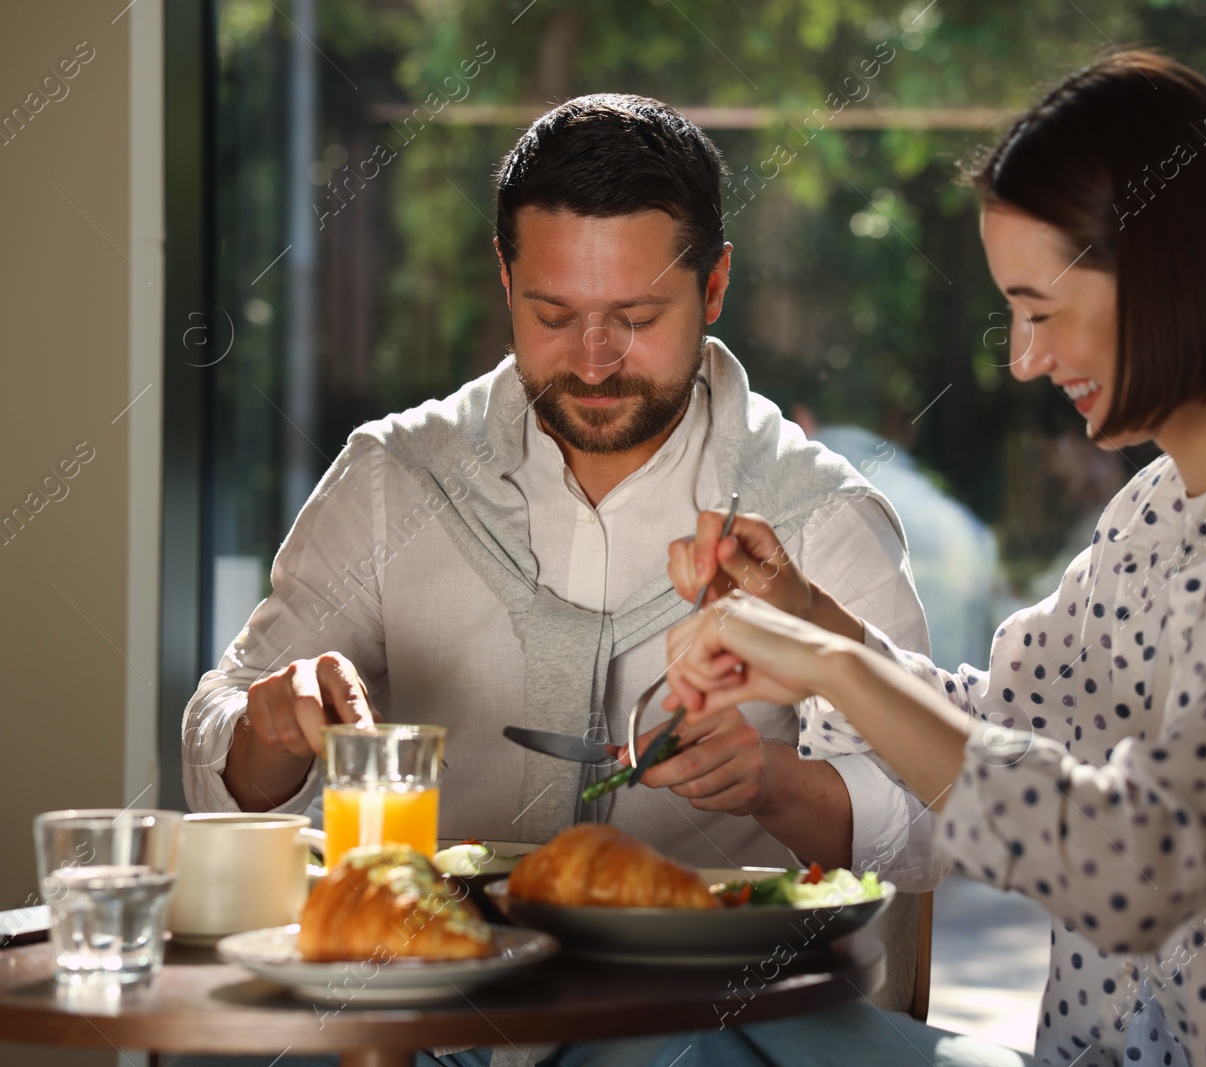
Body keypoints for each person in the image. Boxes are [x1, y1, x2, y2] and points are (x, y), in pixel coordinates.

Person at [652, 51, 1206, 1067]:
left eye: (1039, 310)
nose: (1022, 358)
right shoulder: (1156, 511)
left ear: (1170, 275)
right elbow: (1000, 738)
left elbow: (1143, 862)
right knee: (714, 1037)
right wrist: (805, 616)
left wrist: (834, 668)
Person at [176, 95, 939, 1067]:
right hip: (419, 1016)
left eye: (634, 316)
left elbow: (928, 814)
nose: (593, 360)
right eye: (552, 314)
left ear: (714, 288)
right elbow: (216, 746)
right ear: (504, 278)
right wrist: (270, 728)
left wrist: (773, 783)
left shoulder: (815, 514)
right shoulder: (391, 478)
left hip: (696, 1025)